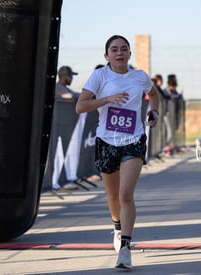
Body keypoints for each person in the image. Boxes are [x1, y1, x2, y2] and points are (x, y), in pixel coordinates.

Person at [75, 35, 159, 270]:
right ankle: (116, 226)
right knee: (112, 197)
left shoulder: (139, 76)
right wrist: (107, 99)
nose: (119, 52)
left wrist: (154, 113)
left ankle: (125, 247)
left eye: (124, 49)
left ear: (130, 54)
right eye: (114, 49)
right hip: (106, 142)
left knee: (125, 195)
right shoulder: (100, 75)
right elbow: (80, 106)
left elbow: (154, 95)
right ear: (107, 56)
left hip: (133, 141)